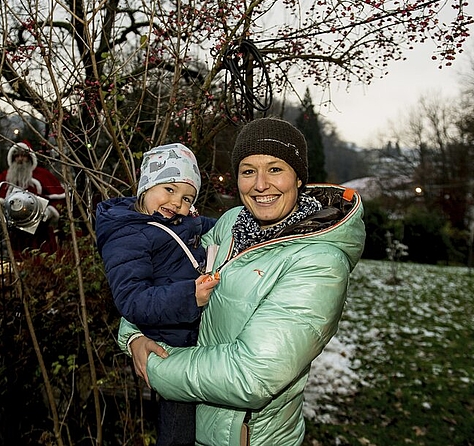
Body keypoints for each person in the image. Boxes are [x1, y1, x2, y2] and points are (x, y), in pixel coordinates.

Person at [119, 118, 366, 446]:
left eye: (275, 169)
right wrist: (133, 333)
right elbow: (165, 273)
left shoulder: (320, 262)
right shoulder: (231, 223)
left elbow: (251, 375)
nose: (260, 184)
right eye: (248, 171)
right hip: (190, 423)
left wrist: (153, 364)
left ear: (300, 177)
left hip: (242, 436)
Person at [95, 143, 219, 446]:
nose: (177, 202)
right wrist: (190, 297)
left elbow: (214, 226)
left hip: (195, 344)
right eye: (169, 189)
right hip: (170, 350)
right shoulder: (127, 236)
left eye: (187, 197)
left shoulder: (176, 220)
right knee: (178, 432)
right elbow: (131, 299)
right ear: (146, 186)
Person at [0, 140, 66, 254]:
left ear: (29, 157)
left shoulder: (42, 175)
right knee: (18, 263)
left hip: (40, 233)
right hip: (15, 233)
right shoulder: (6, 177)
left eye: (23, 156)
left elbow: (60, 197)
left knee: (42, 263)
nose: (20, 159)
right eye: (17, 156)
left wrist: (50, 211)